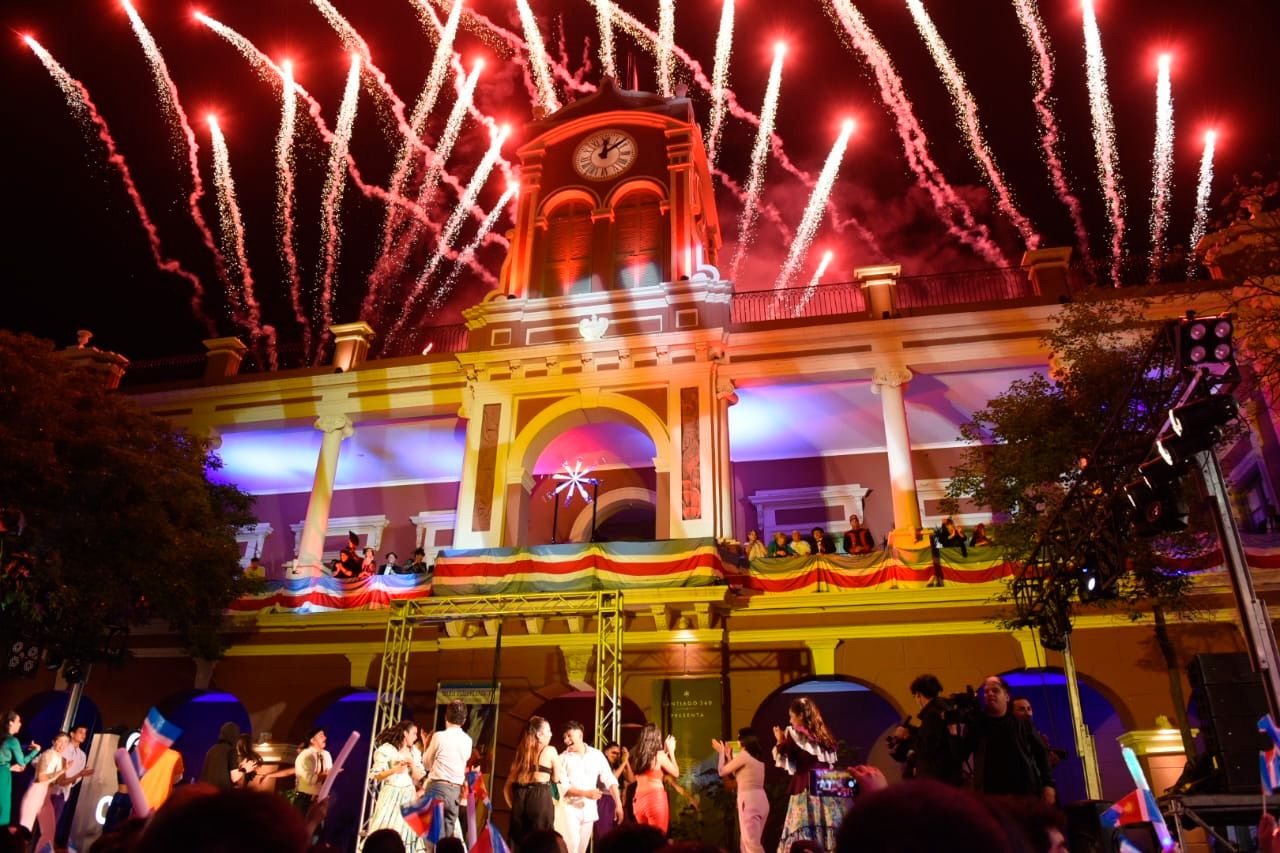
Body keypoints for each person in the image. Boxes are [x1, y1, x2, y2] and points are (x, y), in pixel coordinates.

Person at [962, 676, 1055, 803]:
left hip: (1023, 792)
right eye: (986, 691)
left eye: (995, 690)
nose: (990, 694)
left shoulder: (1022, 724)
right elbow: (961, 754)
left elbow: (1041, 752)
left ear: (1006, 696)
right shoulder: (977, 726)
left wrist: (1048, 784)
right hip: (991, 795)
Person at [772, 696, 843, 852]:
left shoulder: (795, 734)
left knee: (805, 831)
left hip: (807, 786)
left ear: (801, 715)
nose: (790, 720)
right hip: (827, 786)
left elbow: (784, 755)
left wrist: (780, 740)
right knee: (827, 826)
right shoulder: (823, 736)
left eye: (792, 716)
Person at [889, 674, 964, 785]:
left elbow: (927, 748)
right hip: (948, 778)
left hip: (936, 780)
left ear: (918, 694)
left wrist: (907, 737)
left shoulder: (932, 714)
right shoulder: (945, 709)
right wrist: (913, 731)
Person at [559, 721, 621, 853]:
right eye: (564, 737)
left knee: (582, 849)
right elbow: (564, 788)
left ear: (580, 735)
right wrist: (586, 793)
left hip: (589, 810)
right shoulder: (562, 759)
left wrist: (618, 804)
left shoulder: (596, 755)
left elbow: (610, 779)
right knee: (572, 847)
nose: (566, 740)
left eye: (569, 736)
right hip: (569, 810)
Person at [503, 716, 559, 850]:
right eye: (548, 731)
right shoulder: (550, 750)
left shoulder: (522, 754)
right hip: (539, 798)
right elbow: (556, 778)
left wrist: (514, 807)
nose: (551, 734)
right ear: (539, 735)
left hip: (520, 798)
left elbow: (505, 789)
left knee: (519, 842)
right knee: (542, 842)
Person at [422, 699, 472, 839]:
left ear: (446, 716)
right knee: (447, 839)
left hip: (437, 788)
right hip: (455, 792)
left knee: (432, 838)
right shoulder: (468, 740)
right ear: (464, 720)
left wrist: (426, 746)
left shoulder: (439, 737)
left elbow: (426, 764)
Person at [369, 720, 421, 852]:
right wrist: (394, 770)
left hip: (408, 795)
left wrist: (412, 764)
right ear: (405, 733)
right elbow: (377, 775)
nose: (416, 737)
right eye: (414, 733)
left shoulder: (414, 752)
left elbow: (418, 777)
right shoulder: (388, 750)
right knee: (385, 826)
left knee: (406, 831)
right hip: (391, 793)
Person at [713, 729, 768, 853]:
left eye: (739, 738)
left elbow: (722, 771)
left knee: (751, 844)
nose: (737, 741)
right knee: (747, 843)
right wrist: (728, 756)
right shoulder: (754, 758)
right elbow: (737, 773)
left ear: (744, 740)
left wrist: (721, 753)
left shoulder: (744, 755)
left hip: (749, 801)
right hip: (760, 800)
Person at [19, 730, 71, 846]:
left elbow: (58, 781)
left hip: (46, 796)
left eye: (65, 742)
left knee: (49, 833)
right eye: (60, 741)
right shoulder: (48, 754)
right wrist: (62, 771)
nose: (62, 745)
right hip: (36, 793)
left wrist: (75, 774)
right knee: (24, 833)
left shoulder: (60, 759)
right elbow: (41, 778)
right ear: (54, 742)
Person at [630, 723, 678, 834]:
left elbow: (650, 766)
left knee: (645, 839)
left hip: (638, 801)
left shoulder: (637, 755)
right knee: (658, 838)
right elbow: (675, 773)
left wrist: (665, 752)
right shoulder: (659, 755)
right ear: (656, 737)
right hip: (655, 799)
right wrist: (671, 751)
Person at [0, 711, 40, 827]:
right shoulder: (12, 741)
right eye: (18, 721)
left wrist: (9, 767)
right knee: (3, 809)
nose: (20, 724)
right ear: (11, 723)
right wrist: (36, 751)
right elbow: (22, 762)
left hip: (5, 770)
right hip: (3, 776)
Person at [51, 723, 90, 826]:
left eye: (85, 733)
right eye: (80, 732)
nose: (83, 735)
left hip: (64, 791)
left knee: (53, 823)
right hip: (52, 788)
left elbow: (80, 774)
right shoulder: (63, 747)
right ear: (72, 734)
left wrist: (71, 780)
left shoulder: (82, 755)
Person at [1011, 697, 1064, 769]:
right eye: (1022, 709)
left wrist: (1047, 760)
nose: (1028, 714)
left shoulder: (1036, 736)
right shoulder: (1011, 737)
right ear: (1011, 713)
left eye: (1029, 709)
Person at [200, 722, 254, 790]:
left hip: (206, 792)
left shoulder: (211, 750)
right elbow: (234, 778)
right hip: (221, 792)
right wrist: (245, 769)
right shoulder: (231, 750)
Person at [293, 728, 333, 817]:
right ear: (312, 740)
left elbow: (329, 775)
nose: (325, 737)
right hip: (305, 800)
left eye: (324, 735)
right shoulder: (305, 755)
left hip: (320, 800)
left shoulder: (326, 754)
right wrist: (329, 773)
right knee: (302, 824)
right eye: (321, 735)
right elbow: (310, 779)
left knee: (316, 824)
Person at [596, 741, 632, 838]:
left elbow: (631, 779)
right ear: (606, 752)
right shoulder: (601, 765)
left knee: (621, 835)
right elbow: (612, 779)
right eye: (613, 753)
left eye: (618, 754)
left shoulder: (618, 766)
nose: (616, 756)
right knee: (606, 833)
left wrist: (626, 761)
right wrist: (624, 763)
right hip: (605, 800)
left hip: (618, 801)